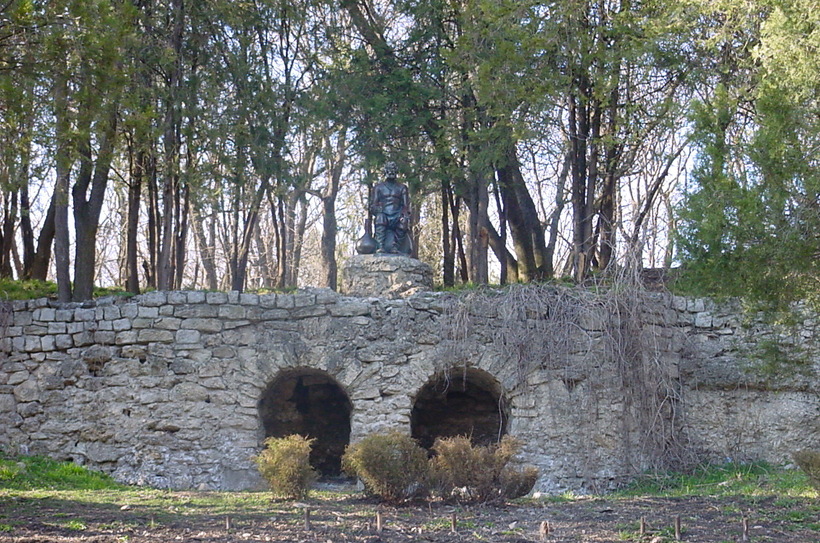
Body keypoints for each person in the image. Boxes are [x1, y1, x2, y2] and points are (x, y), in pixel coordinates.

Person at [370, 161, 412, 255]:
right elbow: (373, 205)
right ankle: (380, 246)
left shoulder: (402, 188)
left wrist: (404, 215)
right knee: (380, 218)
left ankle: (395, 246)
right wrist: (378, 209)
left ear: (396, 172)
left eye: (393, 170)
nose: (391, 172)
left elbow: (406, 205)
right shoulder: (378, 187)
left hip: (397, 214)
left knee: (404, 222)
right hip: (383, 213)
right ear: (385, 172)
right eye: (389, 170)